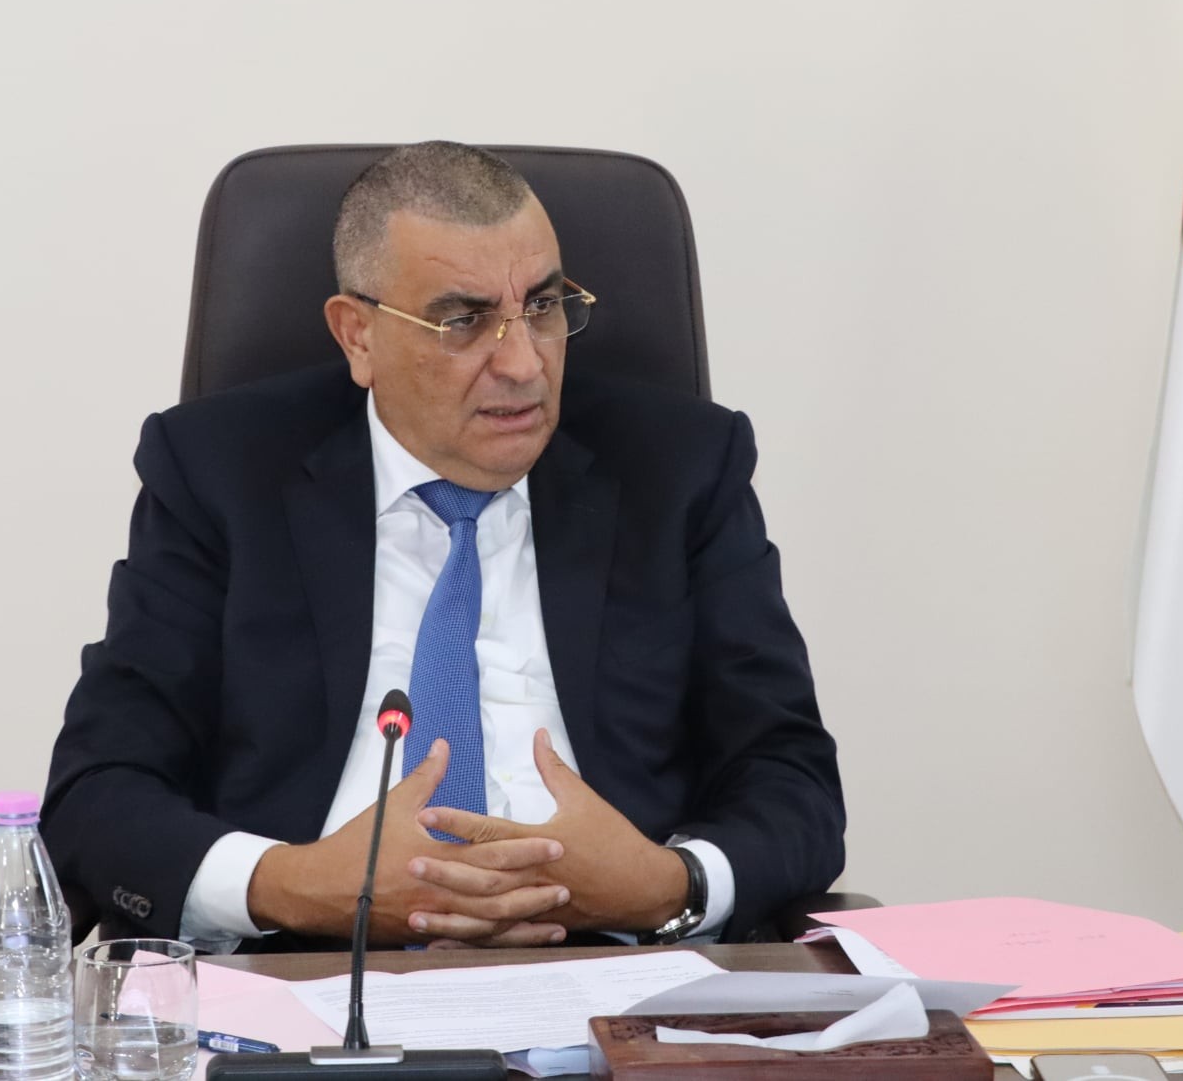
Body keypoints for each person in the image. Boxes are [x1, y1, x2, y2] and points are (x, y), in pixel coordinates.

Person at [42, 141, 843, 951]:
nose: (524, 363)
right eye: (463, 320)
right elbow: (98, 789)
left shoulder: (678, 468)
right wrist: (301, 885)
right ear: (358, 335)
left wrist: (668, 885)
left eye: (543, 305)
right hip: (304, 974)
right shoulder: (221, 472)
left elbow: (792, 779)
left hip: (616, 974)